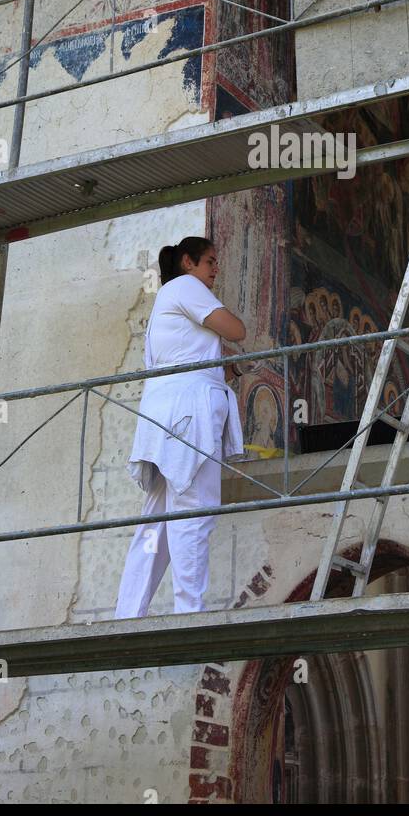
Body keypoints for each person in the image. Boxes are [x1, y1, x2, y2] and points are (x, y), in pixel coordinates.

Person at [114, 236, 247, 617]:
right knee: (194, 511)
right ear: (188, 263)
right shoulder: (187, 287)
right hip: (189, 416)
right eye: (210, 262)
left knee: (156, 523)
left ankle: (127, 615)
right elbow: (235, 329)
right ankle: (190, 614)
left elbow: (193, 352)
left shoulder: (167, 301)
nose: (215, 270)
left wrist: (224, 364)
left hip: (165, 415)